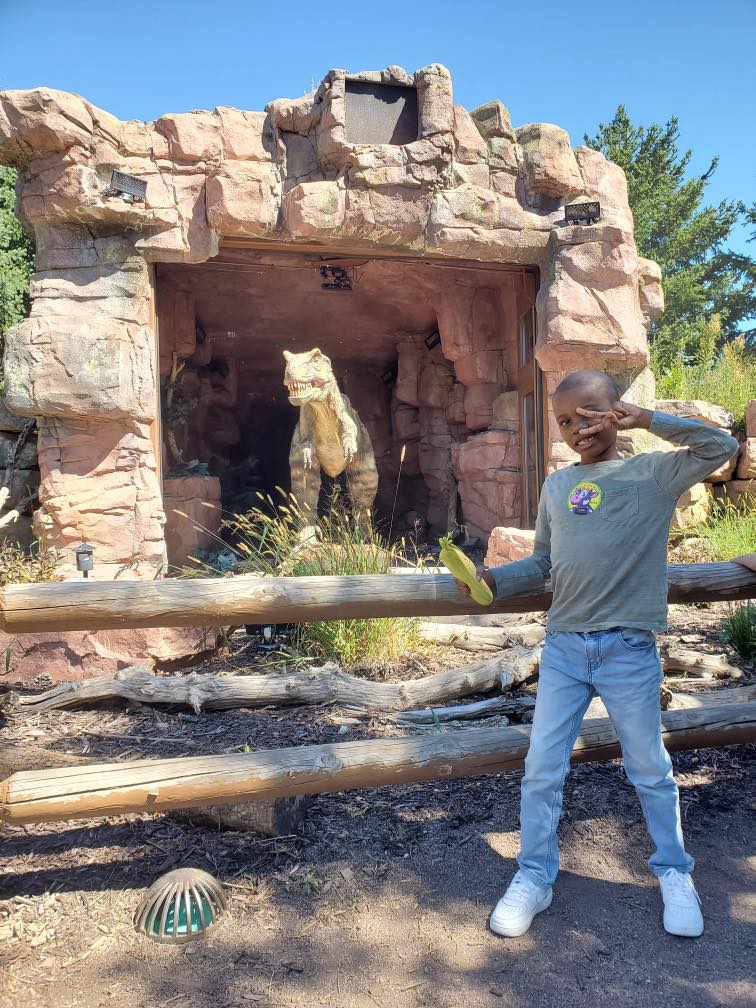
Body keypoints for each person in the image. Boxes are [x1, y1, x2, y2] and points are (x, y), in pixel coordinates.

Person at [455, 370, 743, 939]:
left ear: (616, 409)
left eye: (589, 413)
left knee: (650, 769)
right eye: (565, 421)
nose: (577, 427)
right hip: (564, 647)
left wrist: (650, 419)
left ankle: (674, 872)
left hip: (629, 650)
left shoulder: (656, 472)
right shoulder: (559, 488)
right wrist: (493, 578)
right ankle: (535, 874)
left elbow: (723, 446)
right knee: (541, 768)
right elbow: (544, 563)